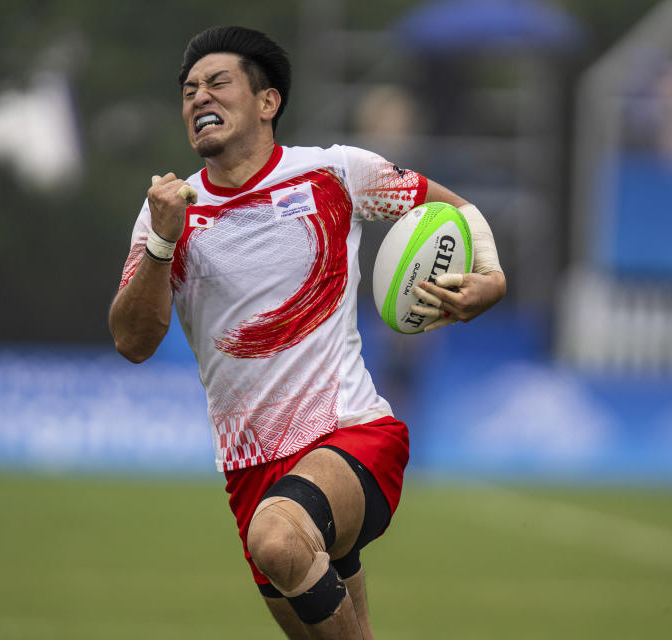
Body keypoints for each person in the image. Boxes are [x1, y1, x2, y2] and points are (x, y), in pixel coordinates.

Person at [109, 26, 506, 639]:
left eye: (217, 83)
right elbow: (132, 341)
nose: (197, 98)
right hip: (250, 472)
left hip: (353, 435)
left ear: (268, 103)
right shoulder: (169, 212)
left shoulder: (335, 172)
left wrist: (491, 279)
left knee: (278, 537)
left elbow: (460, 211)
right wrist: (162, 238)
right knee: (294, 562)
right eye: (188, 90)